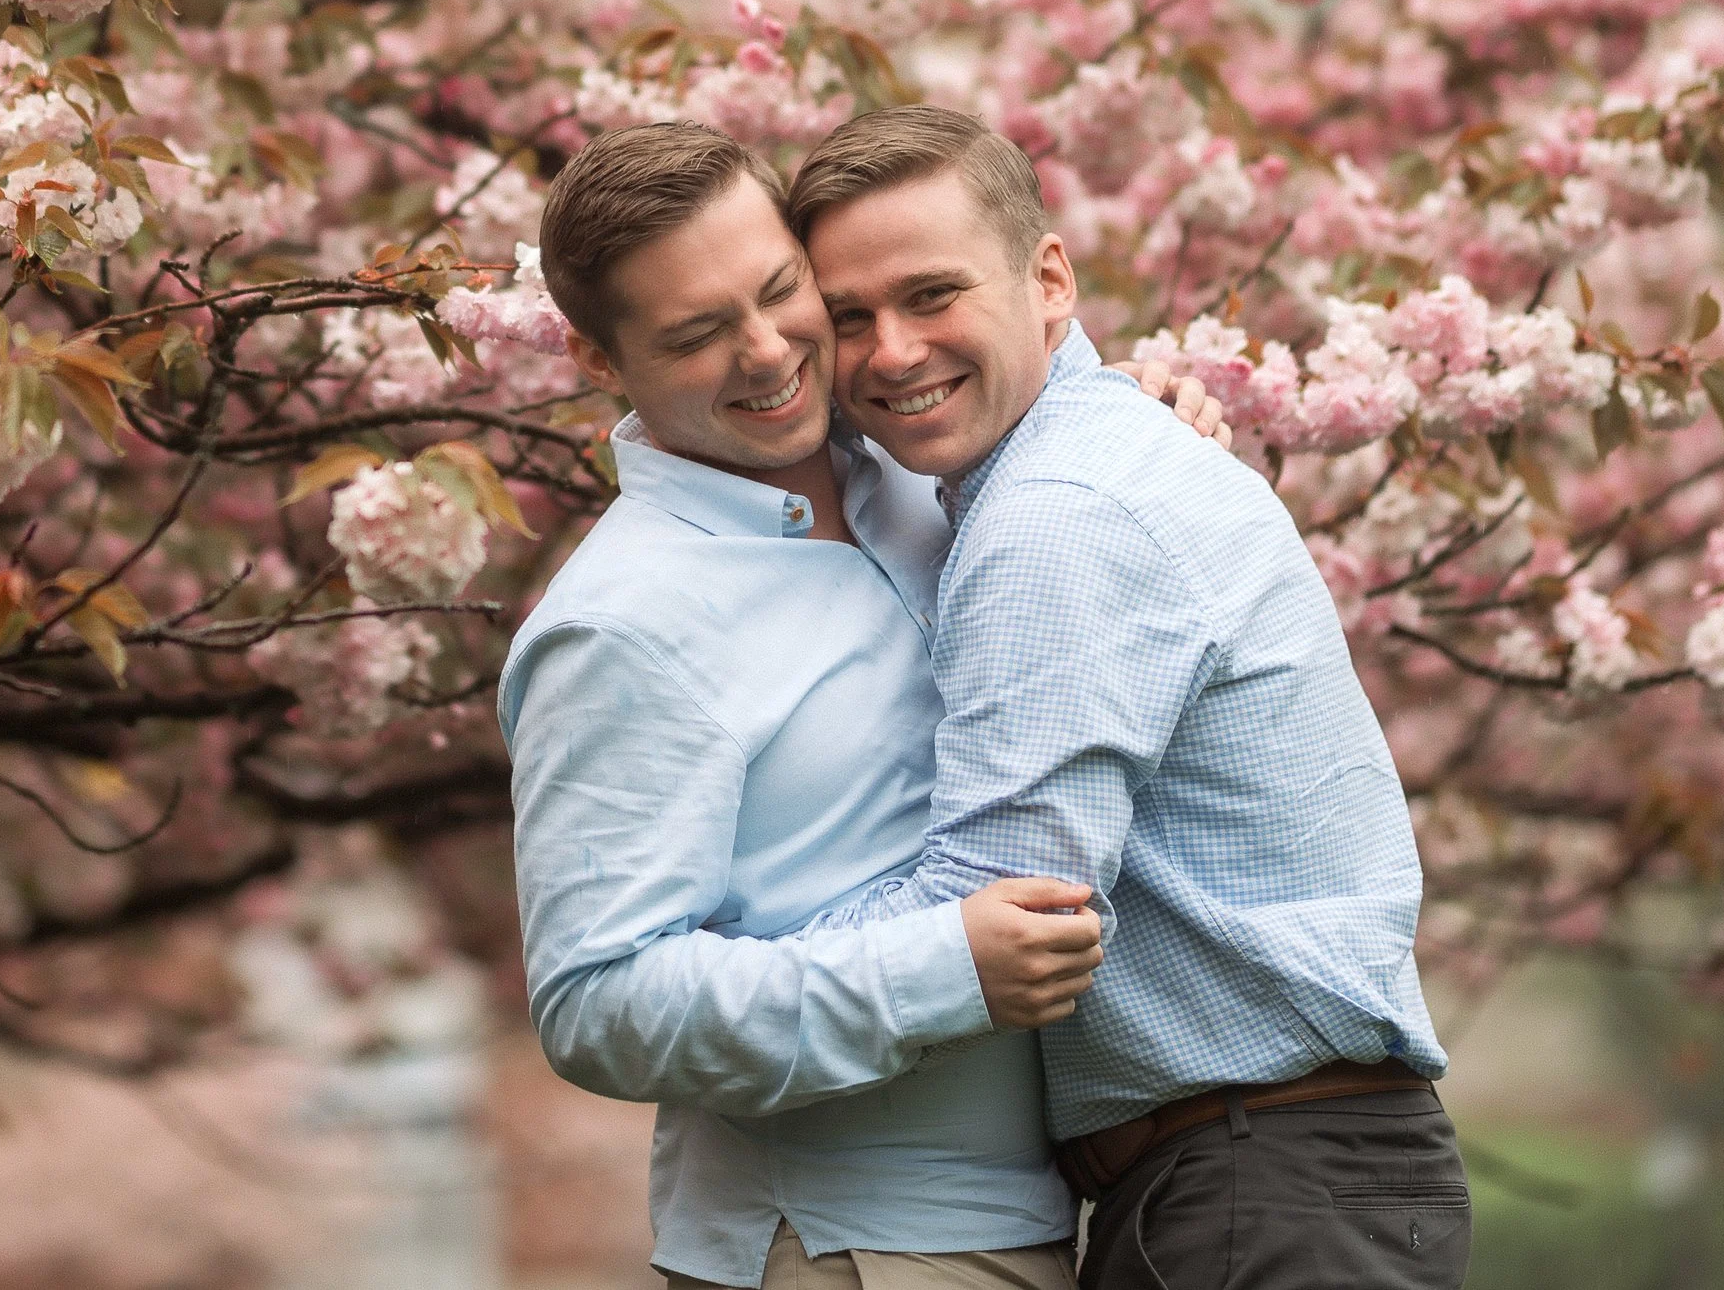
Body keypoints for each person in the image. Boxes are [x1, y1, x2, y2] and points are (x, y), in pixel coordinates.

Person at [497, 122, 1222, 1290]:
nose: (765, 351)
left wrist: (1131, 433)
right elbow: (596, 1002)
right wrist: (937, 969)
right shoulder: (621, 625)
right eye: (693, 334)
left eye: (782, 291)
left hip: (1054, 1208)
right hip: (842, 1243)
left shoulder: (923, 476)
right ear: (597, 359)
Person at [787, 105, 1469, 1290]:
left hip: (1261, 1186)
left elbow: (1008, 906)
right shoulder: (1086, 466)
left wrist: (706, 982)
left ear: (1048, 277)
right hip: (1270, 1179)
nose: (890, 351)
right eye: (849, 318)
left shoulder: (1060, 514)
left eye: (932, 294)